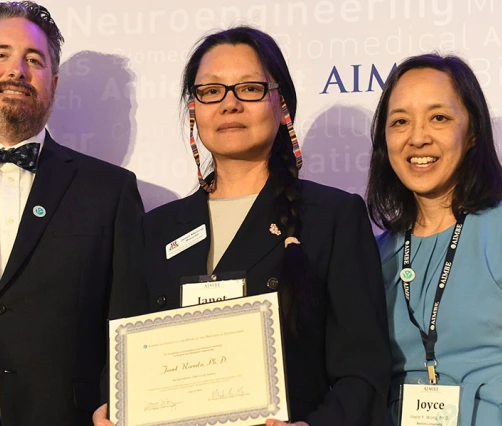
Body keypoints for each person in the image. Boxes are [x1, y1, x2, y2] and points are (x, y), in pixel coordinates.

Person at [93, 26, 390, 426]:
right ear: (194, 109)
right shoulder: (155, 229)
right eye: (211, 91)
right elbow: (119, 360)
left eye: (249, 88)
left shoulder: (332, 217)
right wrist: (112, 409)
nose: (229, 104)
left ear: (280, 102)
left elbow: (364, 369)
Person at [0, 2, 145, 425]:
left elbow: (127, 324)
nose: (17, 70)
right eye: (0, 55)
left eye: (33, 60)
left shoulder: (109, 192)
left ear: (53, 82)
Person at [366, 53, 502, 425]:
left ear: (473, 133)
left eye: (439, 118)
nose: (418, 138)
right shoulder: (375, 254)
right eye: (400, 122)